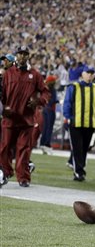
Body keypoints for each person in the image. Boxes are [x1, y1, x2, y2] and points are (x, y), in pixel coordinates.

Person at [0, 46, 50, 187]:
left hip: (26, 119)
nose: (22, 56)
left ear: (28, 56)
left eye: (25, 54)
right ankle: (5, 173)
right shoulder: (8, 73)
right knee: (4, 148)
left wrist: (39, 101)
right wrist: (3, 108)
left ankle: (23, 177)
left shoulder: (35, 74)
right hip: (9, 118)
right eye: (20, 54)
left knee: (24, 149)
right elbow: (1, 94)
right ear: (16, 56)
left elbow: (46, 92)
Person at [63, 66, 95, 181]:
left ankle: (81, 169)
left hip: (89, 124)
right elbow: (67, 103)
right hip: (76, 123)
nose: (90, 75)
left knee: (84, 148)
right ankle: (78, 171)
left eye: (92, 73)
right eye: (88, 73)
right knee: (77, 148)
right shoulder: (74, 87)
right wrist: (69, 117)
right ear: (82, 74)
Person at [40, 75, 59, 155]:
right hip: (51, 110)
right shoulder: (53, 90)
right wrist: (57, 101)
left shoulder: (45, 89)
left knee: (45, 127)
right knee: (49, 128)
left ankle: (42, 143)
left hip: (45, 109)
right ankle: (46, 144)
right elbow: (53, 100)